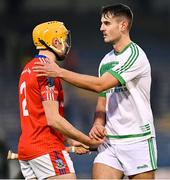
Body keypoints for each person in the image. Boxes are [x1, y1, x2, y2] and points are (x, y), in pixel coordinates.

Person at [32, 4, 157, 179]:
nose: (101, 28)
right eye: (101, 23)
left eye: (106, 23)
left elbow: (100, 85)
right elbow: (102, 99)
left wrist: (59, 72)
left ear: (123, 25)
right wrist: (98, 123)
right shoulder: (106, 60)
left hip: (137, 140)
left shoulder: (135, 56)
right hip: (110, 142)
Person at [18, 20, 103, 180]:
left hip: (28, 150)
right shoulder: (47, 70)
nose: (66, 44)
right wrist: (87, 141)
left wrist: (71, 140)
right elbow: (53, 119)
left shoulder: (28, 68)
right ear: (55, 42)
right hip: (46, 148)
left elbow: (40, 117)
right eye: (64, 39)